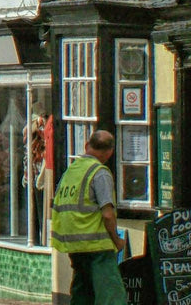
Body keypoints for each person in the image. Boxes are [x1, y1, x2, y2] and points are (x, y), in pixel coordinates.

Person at [51, 130, 128, 305]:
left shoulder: (71, 172)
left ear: (87, 145)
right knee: (111, 294)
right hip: (97, 245)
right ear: (109, 152)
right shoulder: (99, 173)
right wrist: (117, 241)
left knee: (82, 292)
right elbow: (108, 214)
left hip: (73, 244)